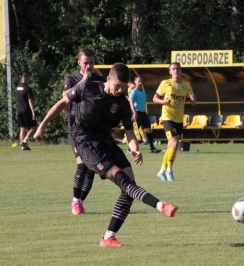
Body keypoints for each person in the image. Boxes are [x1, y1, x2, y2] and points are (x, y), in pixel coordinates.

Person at [34, 63, 178, 247]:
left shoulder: (123, 104)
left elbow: (130, 135)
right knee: (123, 181)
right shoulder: (87, 87)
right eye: (116, 85)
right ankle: (161, 206)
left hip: (106, 142)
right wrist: (42, 125)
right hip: (86, 143)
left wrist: (135, 149)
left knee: (129, 187)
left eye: (123, 87)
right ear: (108, 79)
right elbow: (63, 103)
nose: (119, 90)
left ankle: (109, 237)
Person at [63, 48, 106, 215]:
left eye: (91, 63)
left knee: (91, 169)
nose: (89, 66)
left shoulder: (99, 80)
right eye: (86, 62)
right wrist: (84, 81)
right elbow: (65, 96)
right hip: (76, 129)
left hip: (93, 129)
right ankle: (75, 201)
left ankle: (80, 202)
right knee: (81, 165)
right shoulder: (72, 79)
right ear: (79, 62)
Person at [153, 62, 196, 181]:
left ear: (181, 71)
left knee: (172, 146)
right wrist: (163, 102)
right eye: (173, 69)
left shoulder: (186, 85)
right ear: (170, 71)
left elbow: (192, 102)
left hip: (179, 118)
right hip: (167, 117)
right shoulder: (165, 83)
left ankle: (162, 171)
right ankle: (169, 171)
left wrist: (193, 100)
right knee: (175, 143)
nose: (176, 71)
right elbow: (155, 98)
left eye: (178, 69)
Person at [129, 75, 161, 153]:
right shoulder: (134, 91)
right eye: (139, 81)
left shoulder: (143, 91)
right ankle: (130, 148)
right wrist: (134, 113)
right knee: (134, 132)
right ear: (135, 82)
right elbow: (131, 103)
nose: (140, 83)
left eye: (141, 81)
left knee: (149, 130)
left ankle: (152, 148)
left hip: (143, 113)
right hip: (137, 113)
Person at [15, 73, 37, 150]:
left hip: (19, 110)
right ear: (26, 79)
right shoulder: (28, 88)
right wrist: (33, 112)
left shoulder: (17, 88)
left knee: (22, 128)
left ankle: (23, 146)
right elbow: (30, 101)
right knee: (34, 127)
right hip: (26, 110)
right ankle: (25, 141)